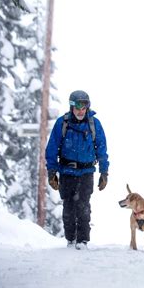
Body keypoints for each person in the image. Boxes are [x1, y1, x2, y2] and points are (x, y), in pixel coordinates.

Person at [46, 90, 109, 250]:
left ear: (88, 107)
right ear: (71, 107)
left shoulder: (95, 124)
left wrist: (104, 172)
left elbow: (101, 149)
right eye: (78, 107)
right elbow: (52, 148)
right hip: (67, 171)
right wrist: (52, 172)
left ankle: (82, 241)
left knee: (83, 207)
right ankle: (71, 239)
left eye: (84, 107)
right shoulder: (63, 123)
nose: (81, 111)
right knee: (68, 207)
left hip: (87, 172)